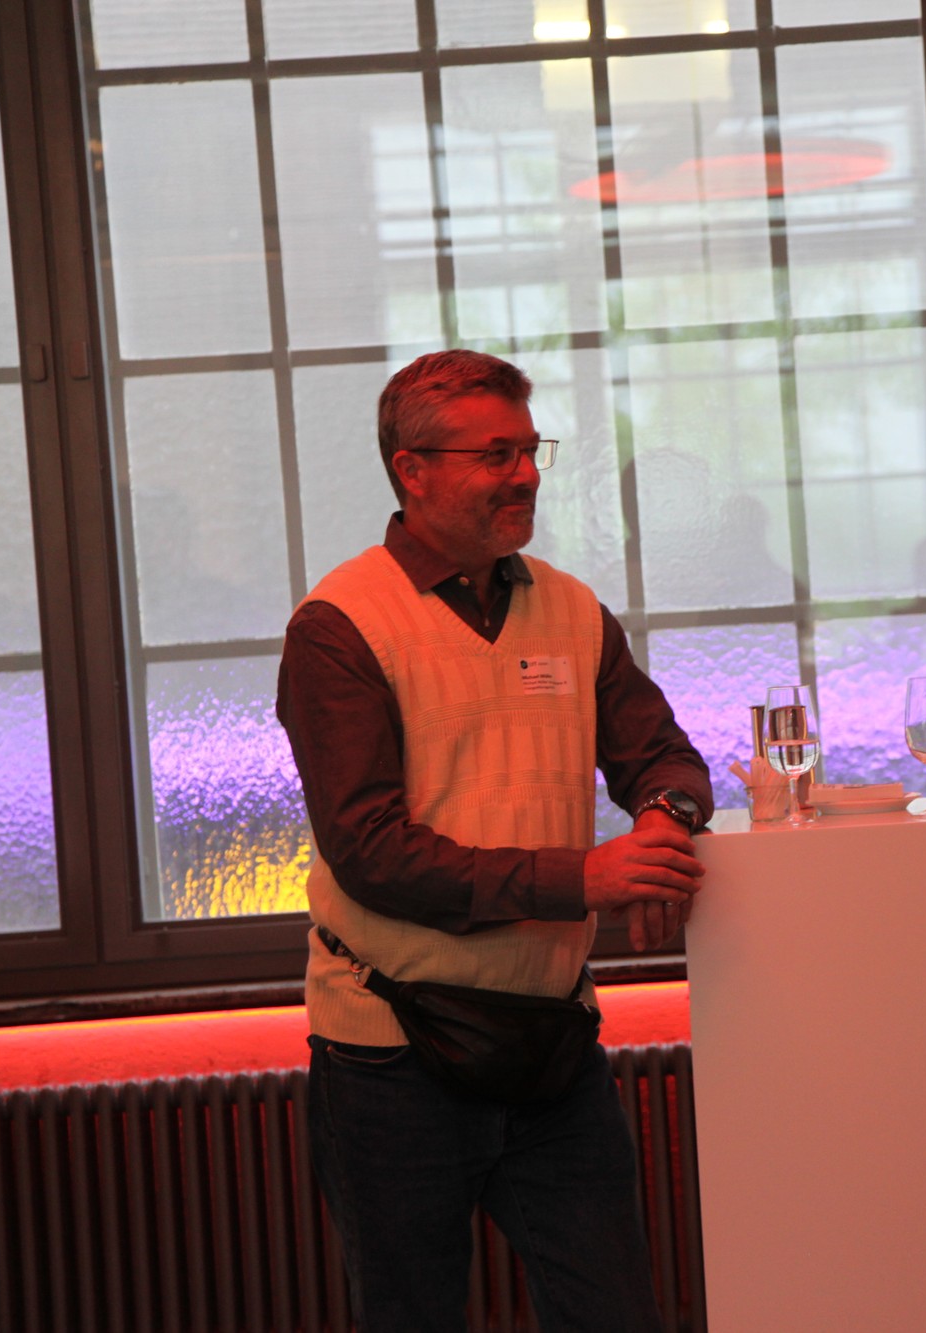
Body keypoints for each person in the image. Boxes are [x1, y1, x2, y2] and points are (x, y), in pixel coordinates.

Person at [276, 349, 712, 1332]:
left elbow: (668, 760)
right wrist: (584, 878)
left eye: (529, 450)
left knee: (617, 1316)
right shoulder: (339, 626)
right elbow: (372, 853)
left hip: (554, 1041)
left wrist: (660, 826)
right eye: (494, 455)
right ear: (411, 468)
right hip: (391, 1055)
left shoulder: (571, 607)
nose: (523, 475)